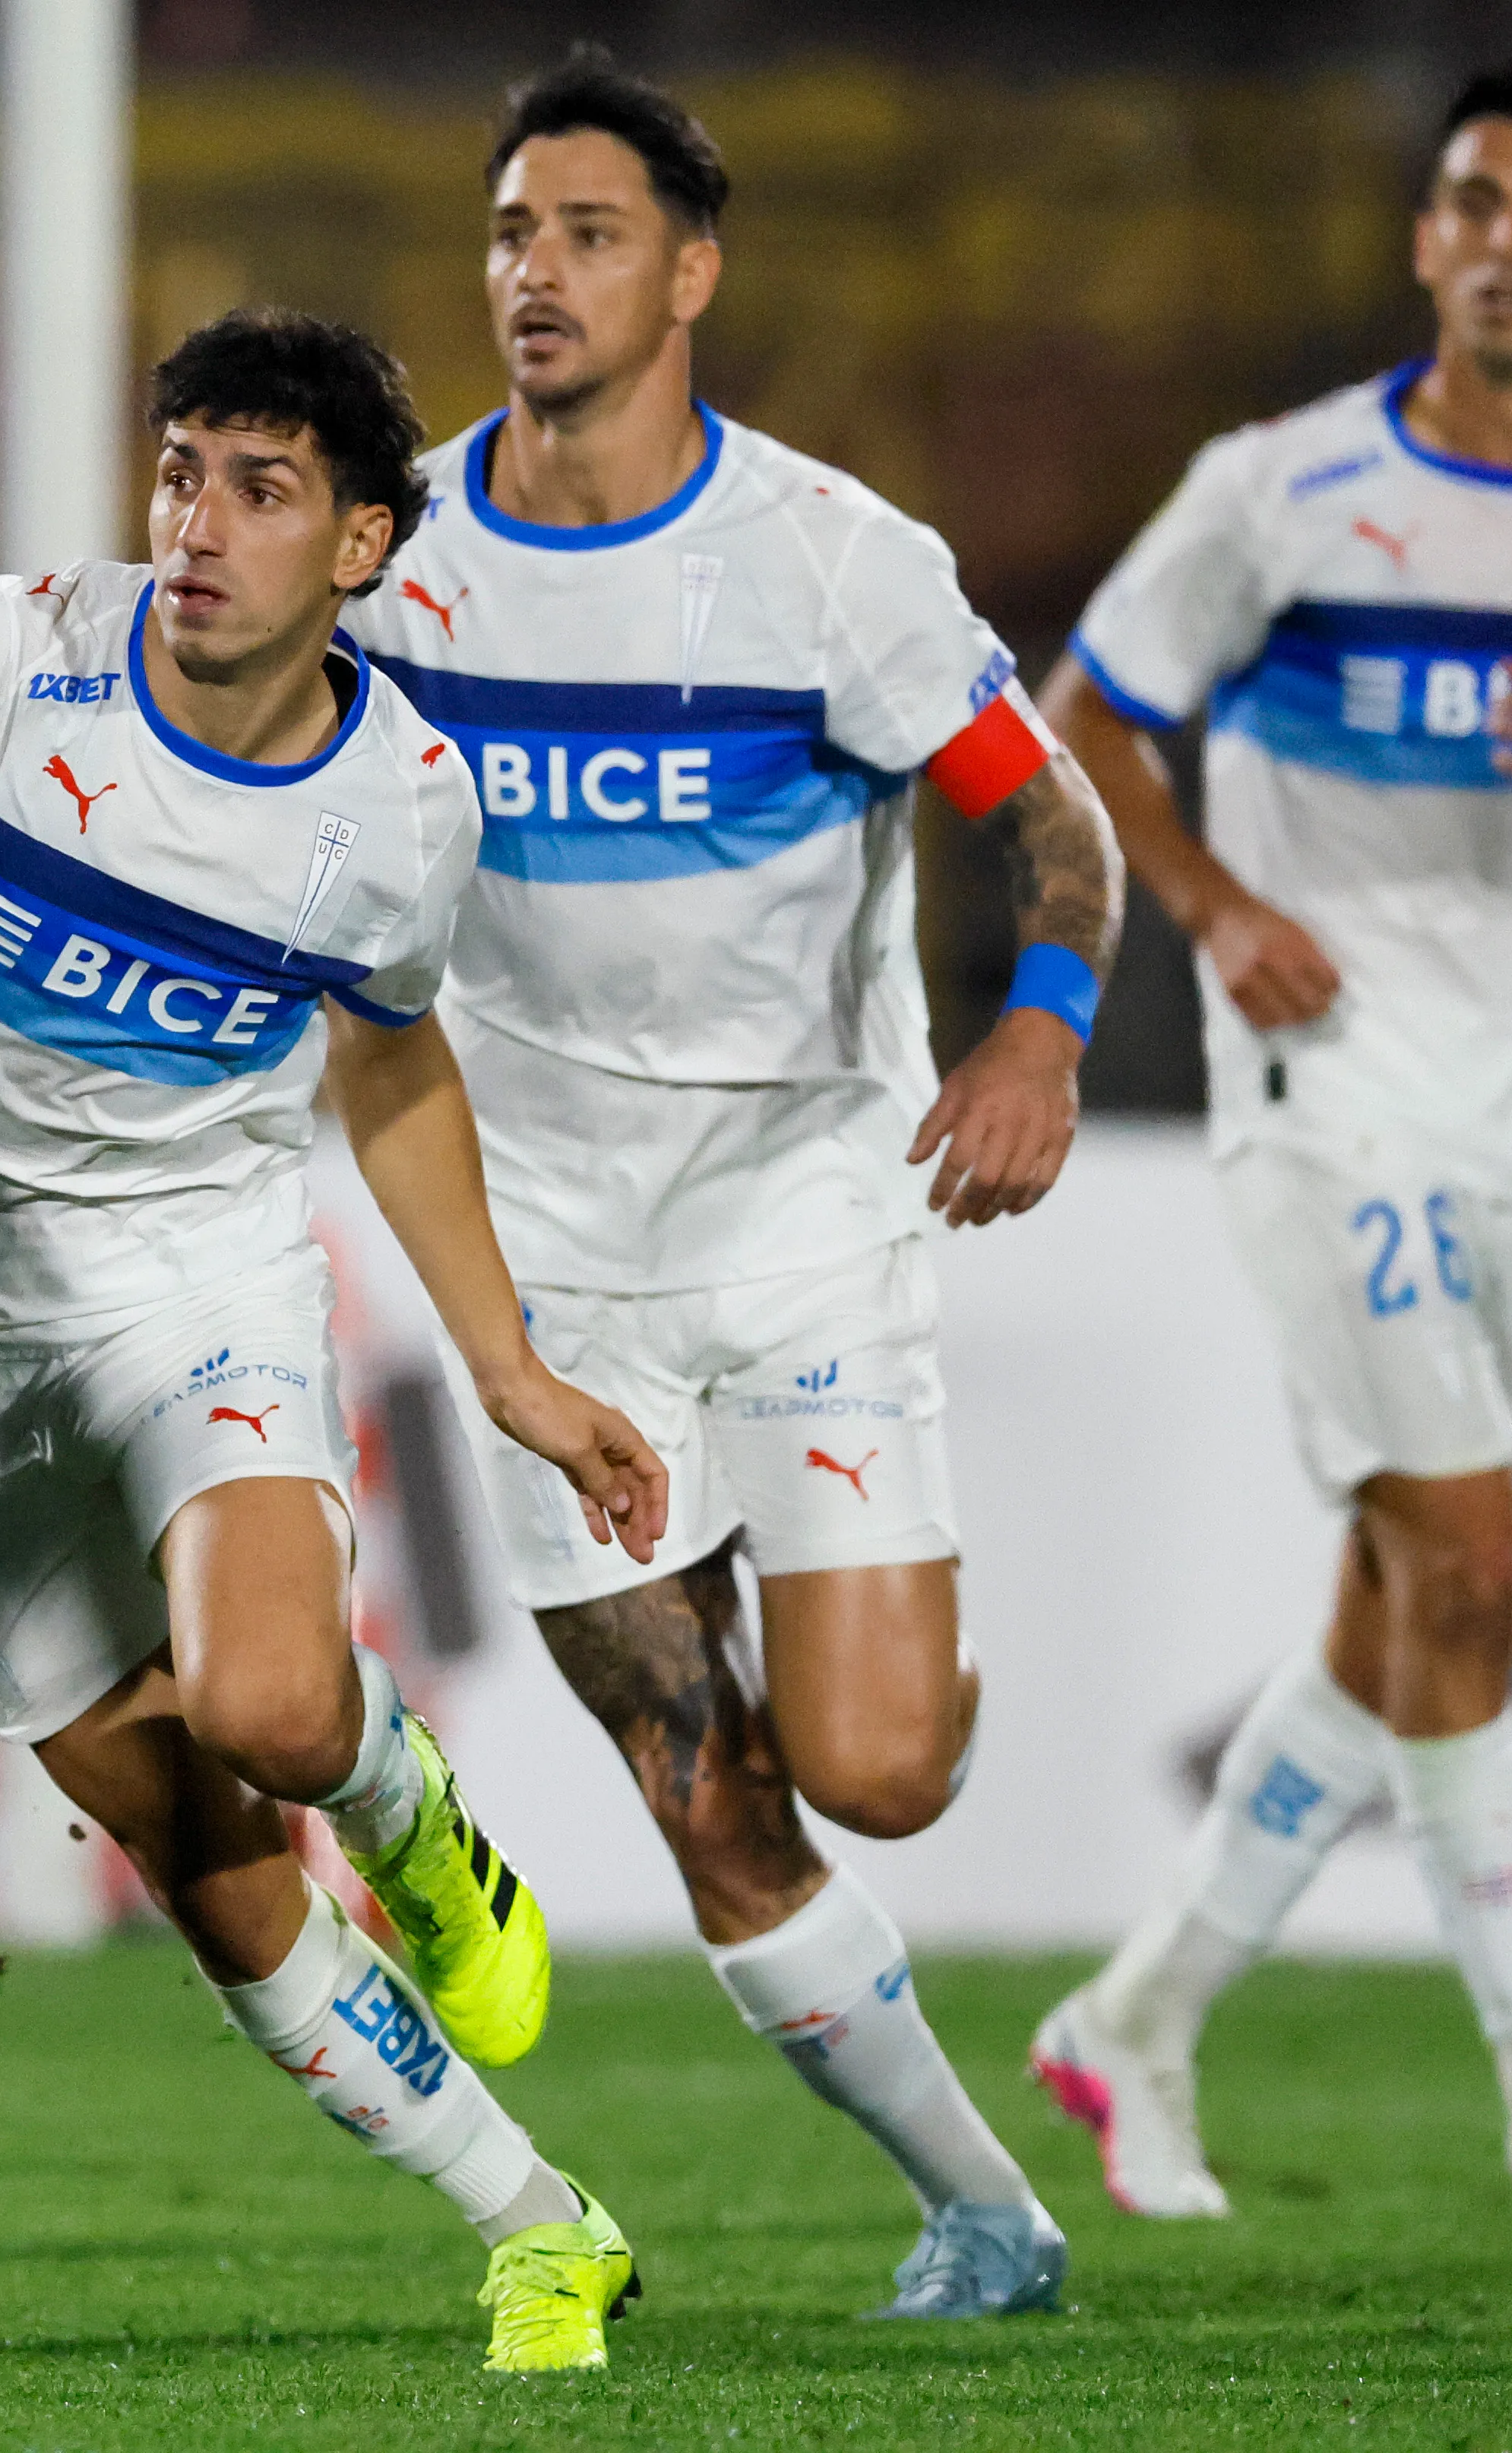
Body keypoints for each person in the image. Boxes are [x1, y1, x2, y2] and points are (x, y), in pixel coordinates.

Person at [0, 307, 674, 2377]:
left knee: (264, 1698)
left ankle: (406, 1802)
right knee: (200, 1852)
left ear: (360, 546)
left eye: (263, 488)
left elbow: (397, 1061)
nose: (201, 524)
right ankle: (537, 2218)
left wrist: (508, 1363)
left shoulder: (405, 800)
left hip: (199, 1281)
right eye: (182, 471)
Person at [339, 51, 1126, 2319]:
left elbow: (1046, 819)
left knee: (868, 1770)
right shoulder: (396, 558)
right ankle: (982, 2206)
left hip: (798, 1209)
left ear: (687, 272)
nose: (533, 273)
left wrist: (1038, 1021)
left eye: (583, 234)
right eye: (506, 234)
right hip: (539, 1244)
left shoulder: (826, 562)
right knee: (703, 1785)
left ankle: (904, 1667)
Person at [1031, 59, 1512, 2223]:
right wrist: (1223, 913)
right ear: (1425, 241)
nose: (1504, 235)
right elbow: (1082, 726)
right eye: (1468, 199)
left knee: (1403, 1601)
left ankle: (1132, 2017)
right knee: (1474, 1559)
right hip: (1335, 1104)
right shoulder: (1285, 490)